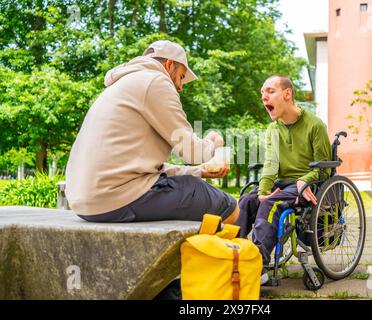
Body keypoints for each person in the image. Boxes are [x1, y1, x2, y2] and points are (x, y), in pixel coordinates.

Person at [65, 40, 239, 225]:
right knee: (228, 206)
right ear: (169, 64)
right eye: (181, 77)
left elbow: (147, 170)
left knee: (193, 186)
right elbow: (193, 152)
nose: (180, 87)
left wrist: (198, 171)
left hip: (85, 202)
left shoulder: (122, 85)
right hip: (114, 198)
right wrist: (214, 143)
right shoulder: (156, 81)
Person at [236, 75, 331, 284]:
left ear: (287, 94)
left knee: (271, 203)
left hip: (308, 187)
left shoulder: (315, 125)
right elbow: (270, 165)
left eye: (270, 91)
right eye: (262, 93)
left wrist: (304, 180)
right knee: (246, 201)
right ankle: (233, 259)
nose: (264, 97)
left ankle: (257, 265)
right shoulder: (273, 129)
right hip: (283, 184)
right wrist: (262, 192)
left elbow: (325, 168)